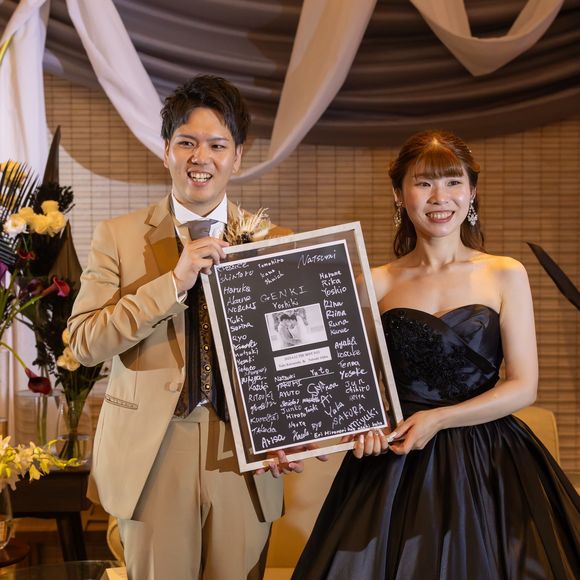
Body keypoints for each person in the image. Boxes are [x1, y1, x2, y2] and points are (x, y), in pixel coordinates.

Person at [292, 130, 580, 579]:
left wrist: (439, 419)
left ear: (472, 191)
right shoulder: (373, 283)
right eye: (423, 183)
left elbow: (524, 387)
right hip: (398, 463)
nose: (439, 197)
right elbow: (347, 384)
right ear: (398, 194)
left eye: (452, 182)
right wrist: (361, 426)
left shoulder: (505, 273)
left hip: (492, 461)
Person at [67, 75, 298, 580]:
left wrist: (291, 426)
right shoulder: (119, 236)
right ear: (166, 150)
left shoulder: (274, 241)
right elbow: (83, 343)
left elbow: (291, 355)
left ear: (238, 157)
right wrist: (173, 282)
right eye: (187, 142)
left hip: (241, 451)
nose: (201, 157)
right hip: (154, 450)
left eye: (217, 145)